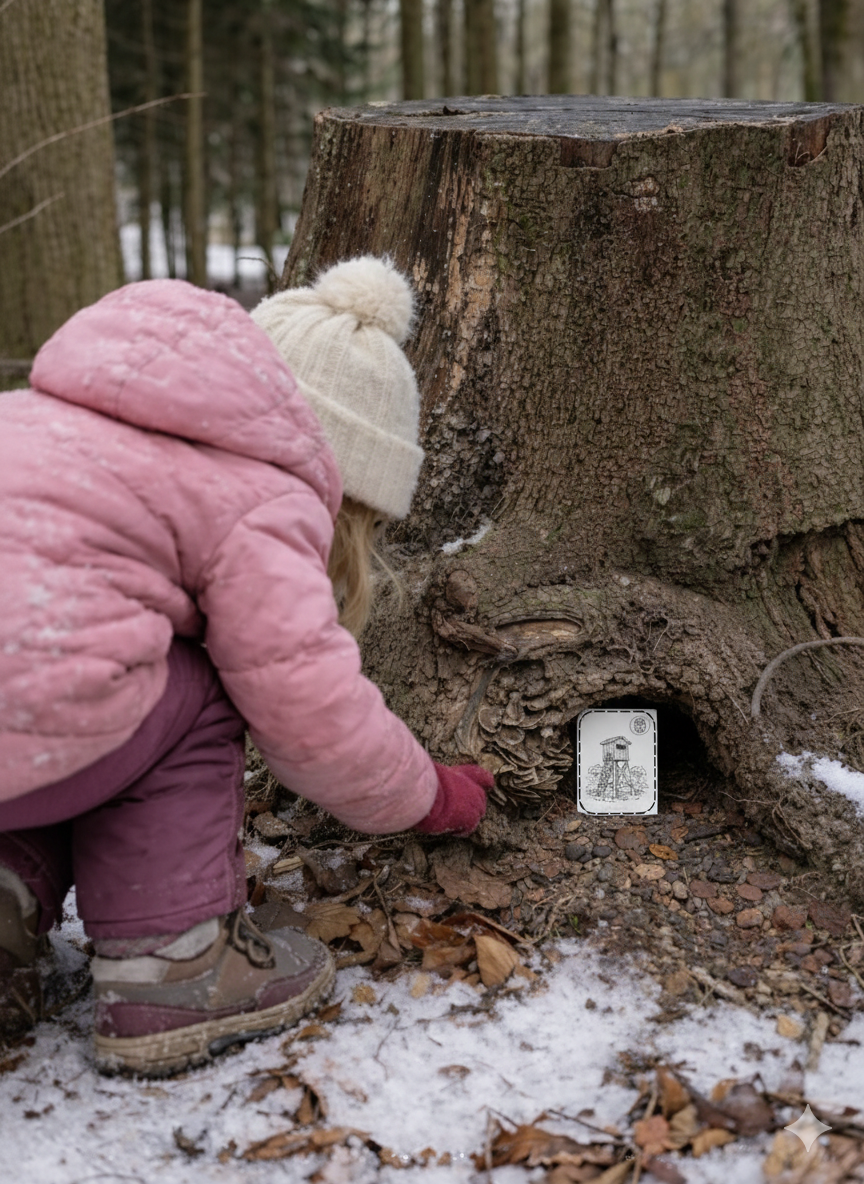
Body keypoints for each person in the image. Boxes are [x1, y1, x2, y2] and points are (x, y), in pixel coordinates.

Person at [0, 256, 493, 1076]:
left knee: (78, 672)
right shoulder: (262, 493)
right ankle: (176, 964)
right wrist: (428, 794)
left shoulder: (37, 416)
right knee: (195, 685)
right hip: (42, 720)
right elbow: (310, 710)